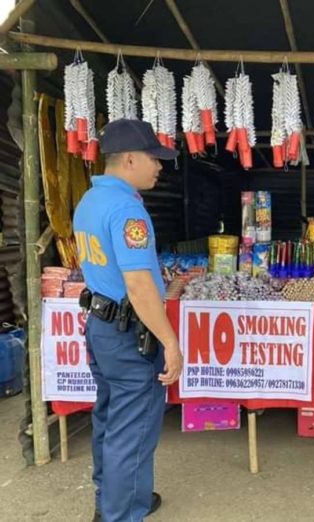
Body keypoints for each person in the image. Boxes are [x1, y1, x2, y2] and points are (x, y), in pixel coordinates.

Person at [73, 119, 183, 522]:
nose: (159, 168)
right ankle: (119, 514)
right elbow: (138, 287)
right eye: (155, 160)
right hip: (127, 334)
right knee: (132, 428)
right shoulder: (126, 210)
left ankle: (117, 496)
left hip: (101, 326)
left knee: (109, 417)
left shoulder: (90, 201)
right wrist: (170, 342)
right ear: (131, 159)